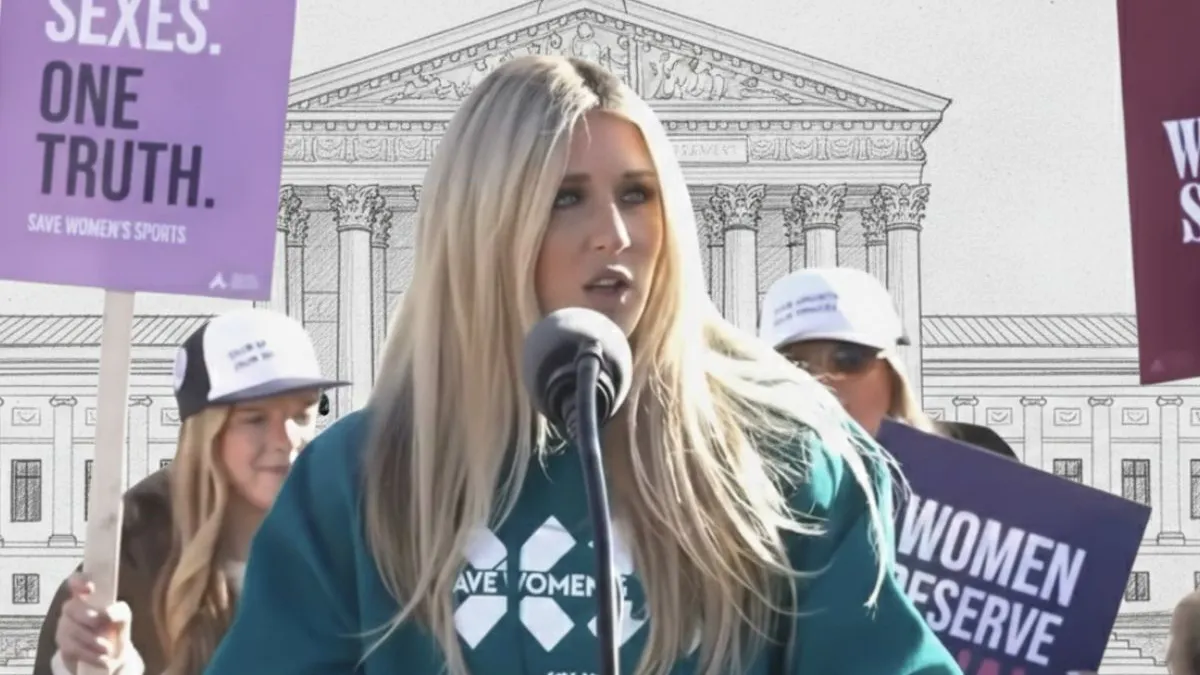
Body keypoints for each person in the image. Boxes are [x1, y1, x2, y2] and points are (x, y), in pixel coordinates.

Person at [203, 55, 958, 675]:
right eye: (566, 197)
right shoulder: (360, 476)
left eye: (637, 194)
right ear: (485, 223)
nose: (615, 233)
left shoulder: (786, 455)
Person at [33, 308, 347, 675]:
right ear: (207, 431)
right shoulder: (139, 546)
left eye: (302, 414)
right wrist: (103, 667)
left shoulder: (342, 531)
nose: (286, 440)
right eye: (256, 418)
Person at [760, 267, 1018, 460]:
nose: (823, 385)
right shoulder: (745, 491)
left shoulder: (976, 455)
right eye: (794, 366)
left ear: (892, 372)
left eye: (847, 359)